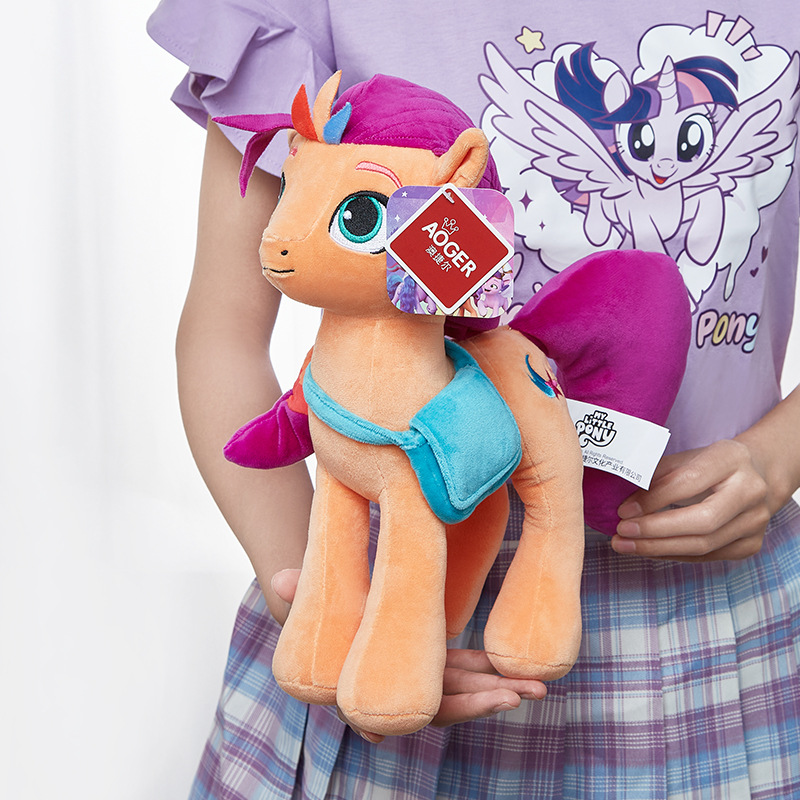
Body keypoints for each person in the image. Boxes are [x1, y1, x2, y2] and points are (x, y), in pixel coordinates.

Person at [148, 1, 800, 797]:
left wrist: (779, 455)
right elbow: (223, 334)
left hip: (705, 608)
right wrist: (323, 601)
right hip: (389, 580)